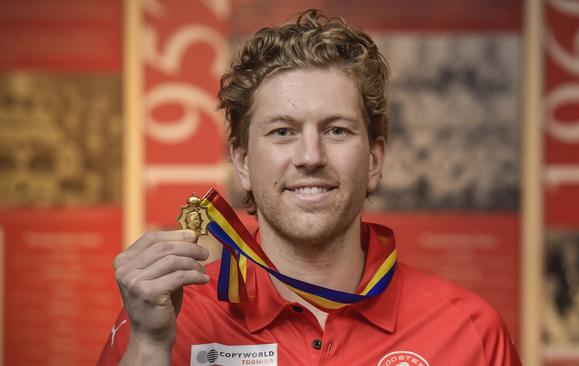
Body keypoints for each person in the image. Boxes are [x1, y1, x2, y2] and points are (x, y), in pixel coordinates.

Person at [98, 9, 521, 365]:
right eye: (282, 132)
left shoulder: (471, 332)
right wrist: (151, 345)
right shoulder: (167, 317)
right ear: (242, 163)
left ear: (374, 160)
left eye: (336, 130)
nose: (310, 156)